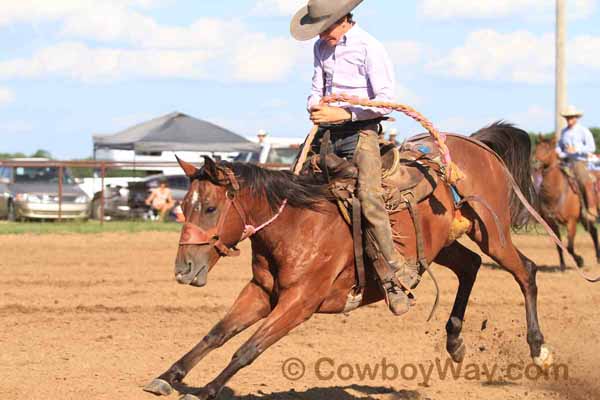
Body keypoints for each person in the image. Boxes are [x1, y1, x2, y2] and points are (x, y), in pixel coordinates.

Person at [291, 0, 420, 316]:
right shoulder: (322, 48)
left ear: (343, 21)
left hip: (361, 134)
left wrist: (344, 112)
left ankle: (394, 273)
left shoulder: (369, 47)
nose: (321, 37)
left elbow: (386, 102)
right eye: (318, 32)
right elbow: (315, 86)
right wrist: (315, 105)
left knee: (369, 196)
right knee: (297, 187)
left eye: (325, 30)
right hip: (328, 134)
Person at [556, 105, 598, 221]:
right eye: (567, 118)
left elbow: (591, 147)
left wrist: (576, 150)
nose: (569, 120)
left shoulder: (583, 131)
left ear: (576, 118)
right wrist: (561, 153)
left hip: (580, 161)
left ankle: (591, 208)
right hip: (566, 161)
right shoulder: (563, 132)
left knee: (585, 180)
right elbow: (559, 147)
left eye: (571, 117)